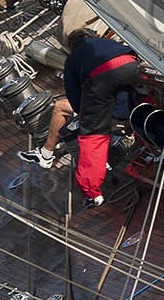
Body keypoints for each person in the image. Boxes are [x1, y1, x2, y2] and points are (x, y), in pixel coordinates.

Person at [19, 29, 141, 209]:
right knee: (144, 102)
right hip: (131, 66)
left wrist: (89, 118)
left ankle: (93, 193)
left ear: (71, 47)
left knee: (93, 136)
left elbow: (76, 100)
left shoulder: (73, 59)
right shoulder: (109, 44)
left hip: (104, 79)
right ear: (93, 36)